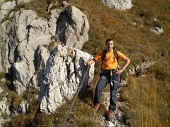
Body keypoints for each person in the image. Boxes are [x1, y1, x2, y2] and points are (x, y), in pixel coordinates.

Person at [88, 38, 130, 120]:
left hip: (115, 73)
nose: (109, 45)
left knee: (113, 92)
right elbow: (94, 59)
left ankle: (111, 110)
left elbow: (128, 60)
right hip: (105, 73)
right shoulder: (103, 53)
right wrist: (90, 62)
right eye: (108, 44)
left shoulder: (116, 53)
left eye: (111, 44)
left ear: (113, 45)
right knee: (98, 87)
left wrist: (121, 70)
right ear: (106, 44)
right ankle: (97, 103)